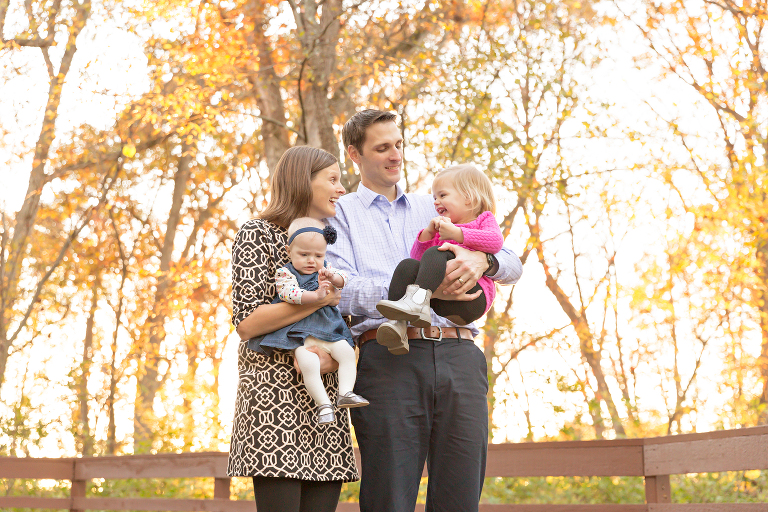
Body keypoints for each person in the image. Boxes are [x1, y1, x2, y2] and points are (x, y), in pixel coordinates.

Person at [326, 109, 523, 512]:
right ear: (354, 154)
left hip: (460, 354)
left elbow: (511, 261)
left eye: (399, 144)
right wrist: (423, 291)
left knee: (460, 496)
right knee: (389, 498)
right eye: (382, 147)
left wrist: (482, 263)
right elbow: (340, 290)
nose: (395, 155)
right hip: (389, 359)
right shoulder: (340, 213)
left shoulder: (434, 205)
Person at [228, 146, 358, 512]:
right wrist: (318, 298)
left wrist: (333, 359)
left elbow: (341, 324)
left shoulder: (331, 243)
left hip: (326, 406)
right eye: (332, 179)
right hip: (273, 401)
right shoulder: (259, 234)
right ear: (304, 182)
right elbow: (248, 323)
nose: (341, 189)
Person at [375, 164, 504, 354]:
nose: (436, 202)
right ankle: (398, 325)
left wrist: (458, 234)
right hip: (441, 301)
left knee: (439, 252)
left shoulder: (483, 219)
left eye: (442, 195)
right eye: (434, 197)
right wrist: (427, 234)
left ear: (469, 197)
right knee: (407, 266)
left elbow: (495, 242)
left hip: (473, 297)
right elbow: (420, 263)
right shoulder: (444, 228)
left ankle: (417, 303)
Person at [251, 216, 368, 425]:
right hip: (301, 334)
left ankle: (345, 392)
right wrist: (316, 297)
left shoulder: (326, 270)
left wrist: (333, 278)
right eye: (304, 254)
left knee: (348, 354)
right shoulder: (285, 273)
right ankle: (323, 404)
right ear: (289, 252)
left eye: (318, 255)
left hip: (329, 330)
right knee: (309, 364)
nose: (311, 261)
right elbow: (289, 294)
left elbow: (344, 278)